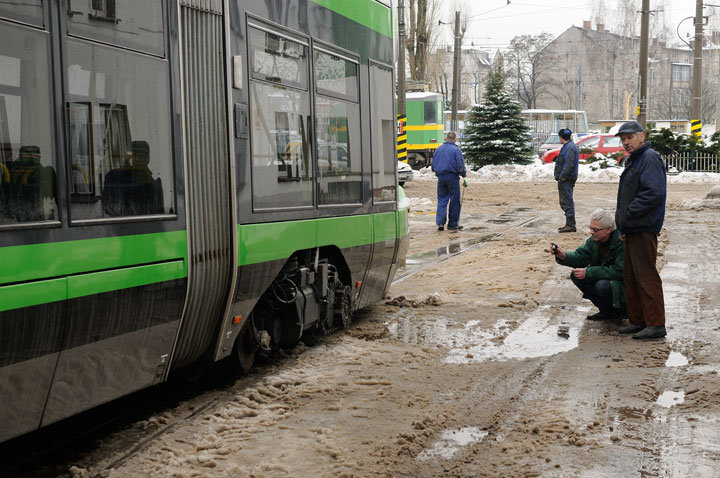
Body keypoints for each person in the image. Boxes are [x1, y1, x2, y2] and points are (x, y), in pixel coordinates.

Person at [614, 120, 667, 339]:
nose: (626, 142)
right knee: (631, 276)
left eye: (630, 137)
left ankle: (655, 324)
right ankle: (638, 320)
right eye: (623, 139)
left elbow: (653, 193)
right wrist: (624, 224)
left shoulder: (649, 158)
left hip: (643, 228)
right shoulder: (634, 160)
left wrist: (628, 214)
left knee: (646, 276)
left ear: (641, 136)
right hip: (632, 228)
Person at [550, 209, 626, 321]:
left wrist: (589, 272)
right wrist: (563, 255)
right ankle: (606, 311)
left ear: (608, 229)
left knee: (602, 286)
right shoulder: (594, 240)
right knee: (576, 275)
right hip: (608, 280)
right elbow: (580, 257)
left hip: (623, 286)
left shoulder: (622, 242)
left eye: (595, 229)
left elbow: (619, 271)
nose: (591, 232)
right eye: (590, 228)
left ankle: (621, 311)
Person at [433, 131, 467, 231]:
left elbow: (433, 164)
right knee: (454, 200)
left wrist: (438, 173)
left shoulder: (438, 149)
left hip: (441, 178)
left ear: (446, 138)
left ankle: (440, 223)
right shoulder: (456, 150)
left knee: (442, 200)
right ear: (455, 140)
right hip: (452, 177)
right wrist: (464, 176)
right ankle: (452, 224)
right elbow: (460, 165)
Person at [554, 128, 579, 233]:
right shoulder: (568, 146)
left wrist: (562, 177)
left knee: (567, 201)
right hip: (566, 178)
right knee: (566, 201)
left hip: (566, 179)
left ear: (560, 137)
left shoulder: (569, 148)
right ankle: (569, 224)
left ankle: (571, 225)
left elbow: (568, 165)